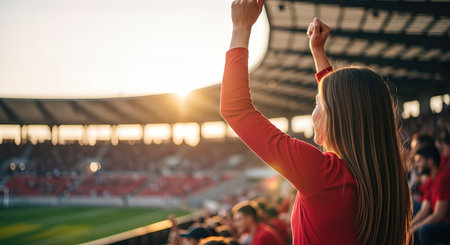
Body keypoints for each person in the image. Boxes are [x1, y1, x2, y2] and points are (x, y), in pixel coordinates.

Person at [220, 0, 411, 244]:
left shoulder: (323, 176)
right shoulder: (385, 178)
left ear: (338, 118)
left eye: (317, 103)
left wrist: (241, 28)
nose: (313, 114)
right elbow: (344, 109)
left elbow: (235, 109)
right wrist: (318, 55)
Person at [412, 146, 450, 244]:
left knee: (424, 231)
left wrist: (415, 227)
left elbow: (439, 215)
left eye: (419, 160)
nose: (416, 165)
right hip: (441, 221)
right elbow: (424, 210)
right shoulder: (430, 180)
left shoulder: (443, 178)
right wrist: (410, 226)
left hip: (446, 222)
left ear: (430, 161)